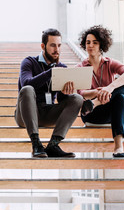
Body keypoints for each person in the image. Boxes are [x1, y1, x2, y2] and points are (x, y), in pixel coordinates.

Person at [15, 29, 84, 158]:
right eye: (52, 45)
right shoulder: (29, 62)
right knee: (28, 89)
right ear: (43, 46)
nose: (56, 49)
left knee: (77, 98)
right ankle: (36, 144)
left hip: (48, 112)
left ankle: (53, 144)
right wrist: (51, 72)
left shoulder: (61, 67)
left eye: (59, 45)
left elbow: (61, 99)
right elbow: (26, 83)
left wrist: (65, 92)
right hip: (26, 115)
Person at [77, 25, 124, 157]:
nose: (90, 45)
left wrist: (109, 88)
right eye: (88, 42)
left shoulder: (110, 63)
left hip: (109, 110)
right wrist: (96, 93)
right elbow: (80, 93)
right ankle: (94, 103)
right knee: (121, 95)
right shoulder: (80, 67)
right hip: (89, 113)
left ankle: (119, 147)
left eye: (95, 42)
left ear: (101, 45)